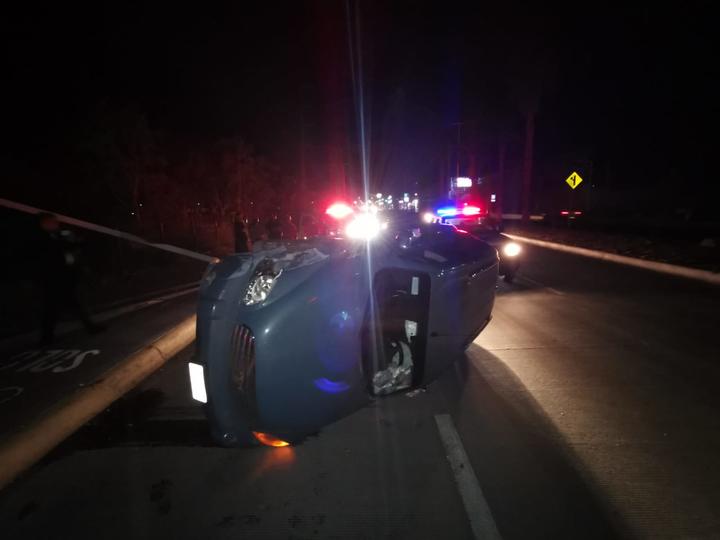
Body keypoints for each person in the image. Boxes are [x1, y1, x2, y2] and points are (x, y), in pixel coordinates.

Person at [34, 213, 104, 345]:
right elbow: (59, 249)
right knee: (53, 308)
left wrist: (79, 242)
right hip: (53, 280)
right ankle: (47, 338)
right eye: (53, 222)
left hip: (62, 279)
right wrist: (76, 243)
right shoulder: (42, 239)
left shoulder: (57, 235)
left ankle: (47, 337)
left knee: (63, 307)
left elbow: (68, 245)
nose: (56, 225)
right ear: (44, 223)